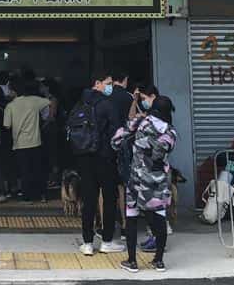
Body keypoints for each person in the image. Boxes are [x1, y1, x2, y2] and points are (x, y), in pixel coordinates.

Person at [116, 95, 177, 274]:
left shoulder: (141, 122)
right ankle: (159, 261)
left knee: (132, 217)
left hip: (137, 179)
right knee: (159, 218)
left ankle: (132, 261)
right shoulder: (170, 132)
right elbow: (162, 151)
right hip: (158, 182)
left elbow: (118, 139)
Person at [72, 74, 124, 256]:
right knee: (109, 198)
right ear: (97, 84)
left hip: (84, 158)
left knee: (89, 199)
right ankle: (107, 241)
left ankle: (87, 243)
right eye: (108, 83)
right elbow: (118, 132)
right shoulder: (108, 105)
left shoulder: (79, 105)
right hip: (105, 157)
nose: (110, 87)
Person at [4, 79, 52, 203]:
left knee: (25, 171)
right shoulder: (34, 100)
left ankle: (27, 197)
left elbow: (7, 126)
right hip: (36, 141)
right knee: (38, 169)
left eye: (9, 89)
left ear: (14, 91)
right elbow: (49, 101)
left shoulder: (10, 106)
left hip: (20, 143)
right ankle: (42, 195)